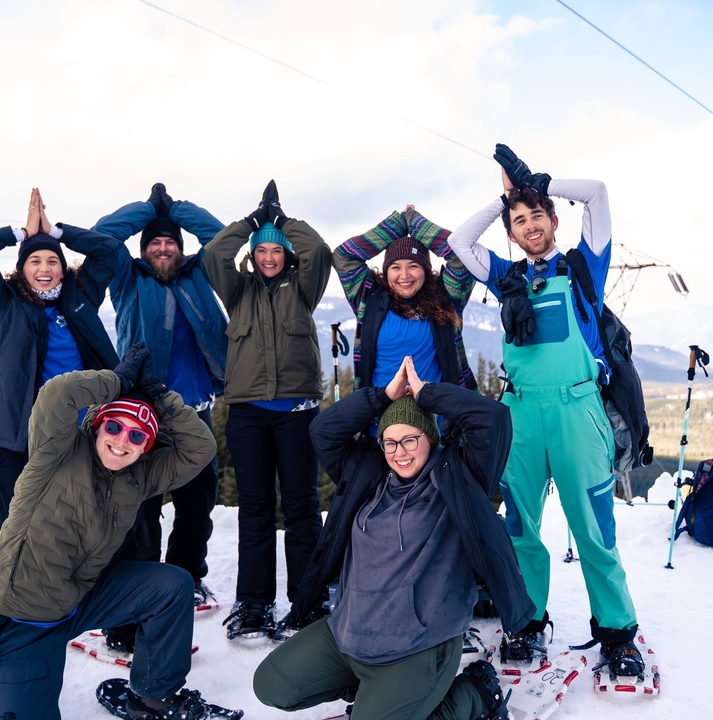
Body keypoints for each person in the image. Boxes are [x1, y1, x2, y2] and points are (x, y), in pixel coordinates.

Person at [0, 345, 233, 720]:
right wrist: (118, 381)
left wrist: (161, 397)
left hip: (81, 596)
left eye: (137, 436)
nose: (121, 440)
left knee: (171, 586)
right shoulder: (58, 452)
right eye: (114, 426)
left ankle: (152, 699)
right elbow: (58, 395)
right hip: (24, 614)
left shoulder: (137, 475)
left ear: (147, 446)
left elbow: (200, 448)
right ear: (99, 424)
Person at [447, 144, 645, 678]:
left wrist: (543, 183)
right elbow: (458, 241)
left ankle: (617, 632)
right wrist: (504, 197)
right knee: (521, 528)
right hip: (521, 415)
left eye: (538, 216)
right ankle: (527, 623)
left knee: (594, 526)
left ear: (555, 221)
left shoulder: (584, 266)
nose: (530, 225)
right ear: (510, 232)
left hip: (579, 412)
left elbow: (598, 194)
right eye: (520, 220)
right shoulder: (504, 277)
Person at [253, 357, 534, 720]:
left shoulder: (461, 479)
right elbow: (322, 430)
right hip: (350, 633)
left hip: (419, 645)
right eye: (389, 442)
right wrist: (382, 397)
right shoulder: (365, 475)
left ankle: (474, 695)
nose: (399, 452)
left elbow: (493, 420)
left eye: (410, 440)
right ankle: (380, 694)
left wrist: (428, 395)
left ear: (429, 439)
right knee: (272, 686)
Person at [202, 180, 331, 639]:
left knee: (301, 507)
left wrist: (282, 221)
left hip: (297, 412)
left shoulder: (304, 289)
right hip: (249, 416)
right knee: (254, 509)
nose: (270, 256)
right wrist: (252, 224)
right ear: (253, 256)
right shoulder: (237, 292)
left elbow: (319, 249)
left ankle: (308, 599)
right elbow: (215, 253)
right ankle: (254, 602)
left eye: (277, 250)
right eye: (262, 250)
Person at [91, 183, 226, 619]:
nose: (163, 248)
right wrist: (149, 209)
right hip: (141, 412)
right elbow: (103, 236)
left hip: (195, 413)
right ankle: (141, 584)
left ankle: (186, 578)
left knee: (196, 503)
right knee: (140, 505)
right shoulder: (128, 279)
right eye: (155, 242)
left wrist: (179, 209)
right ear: (143, 249)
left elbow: (221, 237)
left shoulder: (199, 273)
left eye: (170, 242)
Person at [0, 188, 120, 526]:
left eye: (52, 260)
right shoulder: (2, 303)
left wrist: (57, 232)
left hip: (78, 437)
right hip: (17, 440)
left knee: (77, 528)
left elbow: (109, 251)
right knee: (20, 530)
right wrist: (22, 234)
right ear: (21, 268)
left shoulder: (81, 296)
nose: (44, 268)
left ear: (63, 268)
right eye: (35, 260)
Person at [333, 205, 477, 411]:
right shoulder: (368, 298)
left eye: (413, 266)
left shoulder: (447, 298)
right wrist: (397, 224)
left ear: (426, 271)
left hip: (438, 421)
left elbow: (462, 254)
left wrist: (415, 222)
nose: (404, 275)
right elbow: (343, 257)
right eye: (395, 267)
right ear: (386, 272)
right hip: (380, 420)